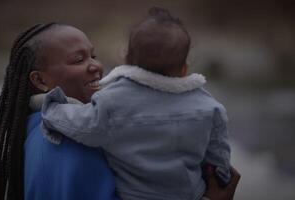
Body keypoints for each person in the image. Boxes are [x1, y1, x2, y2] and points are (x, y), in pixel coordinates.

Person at [0, 21, 240, 200]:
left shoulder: (33, 126)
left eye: (93, 55)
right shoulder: (73, 139)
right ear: (40, 80)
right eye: (79, 60)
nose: (96, 66)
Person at [41, 7, 232, 200]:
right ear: (184, 68)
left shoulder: (112, 101)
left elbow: (83, 124)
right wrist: (222, 179)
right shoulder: (209, 106)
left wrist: (53, 108)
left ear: (126, 60)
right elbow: (219, 155)